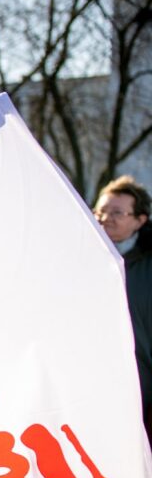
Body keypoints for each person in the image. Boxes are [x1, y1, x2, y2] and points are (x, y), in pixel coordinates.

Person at [94, 175, 152, 447]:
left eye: (117, 212)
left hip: (143, 387)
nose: (106, 218)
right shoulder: (83, 257)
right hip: (98, 385)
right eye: (101, 211)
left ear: (140, 220)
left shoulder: (147, 264)